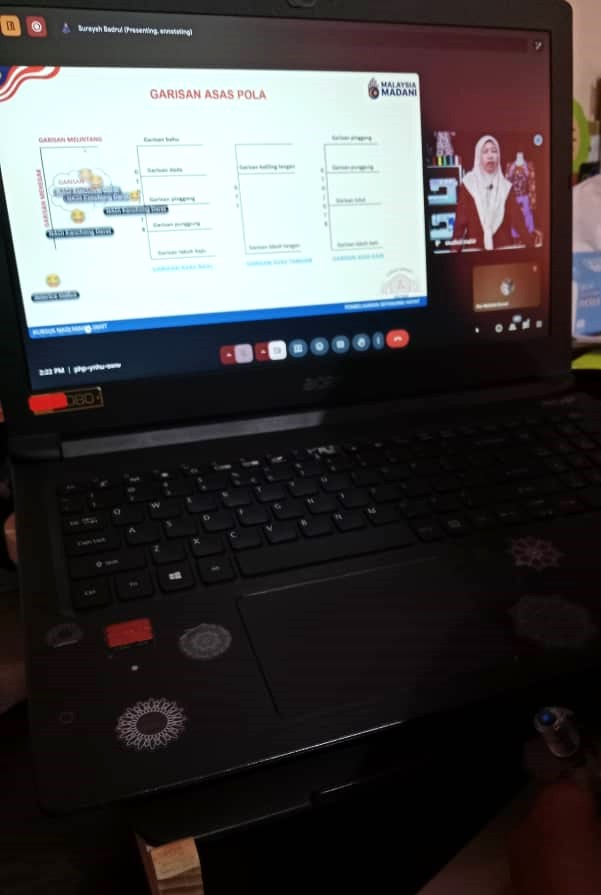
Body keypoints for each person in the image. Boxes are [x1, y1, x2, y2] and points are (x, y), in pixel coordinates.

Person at [452, 135, 537, 251]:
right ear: (478, 156)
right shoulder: (468, 184)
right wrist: (454, 251)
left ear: (498, 156)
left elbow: (518, 221)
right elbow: (460, 224)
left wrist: (532, 247)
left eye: (494, 151)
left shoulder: (506, 187)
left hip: (503, 252)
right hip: (476, 252)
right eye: (485, 152)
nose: (490, 156)